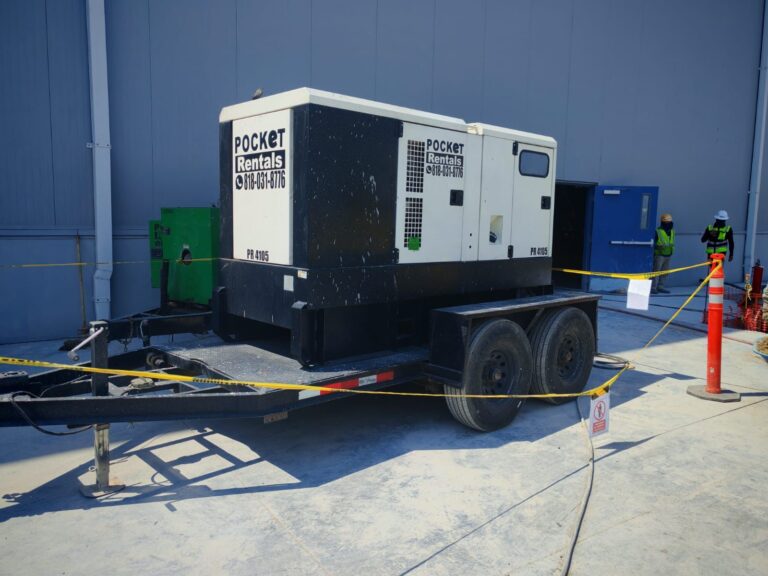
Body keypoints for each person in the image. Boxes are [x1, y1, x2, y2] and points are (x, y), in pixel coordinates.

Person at [652, 213, 675, 294]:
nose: (669, 224)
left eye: (670, 222)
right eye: (667, 222)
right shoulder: (658, 231)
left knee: (665, 272)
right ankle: (653, 287)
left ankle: (660, 287)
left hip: (668, 254)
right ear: (663, 222)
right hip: (659, 254)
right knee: (656, 271)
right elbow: (653, 243)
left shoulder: (672, 231)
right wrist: (657, 246)